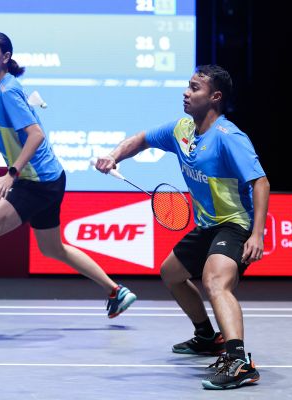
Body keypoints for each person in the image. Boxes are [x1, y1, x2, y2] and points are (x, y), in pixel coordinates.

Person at [0, 32, 137, 337]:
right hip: (49, 179)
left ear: (5, 57)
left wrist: (12, 173)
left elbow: (35, 135)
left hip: (36, 181)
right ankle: (116, 291)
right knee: (52, 248)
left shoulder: (7, 91)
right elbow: (4, 136)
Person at [95, 65, 269, 390]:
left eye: (195, 88)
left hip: (235, 223)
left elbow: (260, 182)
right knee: (171, 273)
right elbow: (141, 140)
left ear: (215, 97)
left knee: (215, 281)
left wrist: (257, 234)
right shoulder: (182, 130)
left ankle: (239, 362)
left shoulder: (228, 137)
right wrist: (114, 155)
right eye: (188, 86)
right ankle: (207, 337)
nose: (186, 93)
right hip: (208, 225)